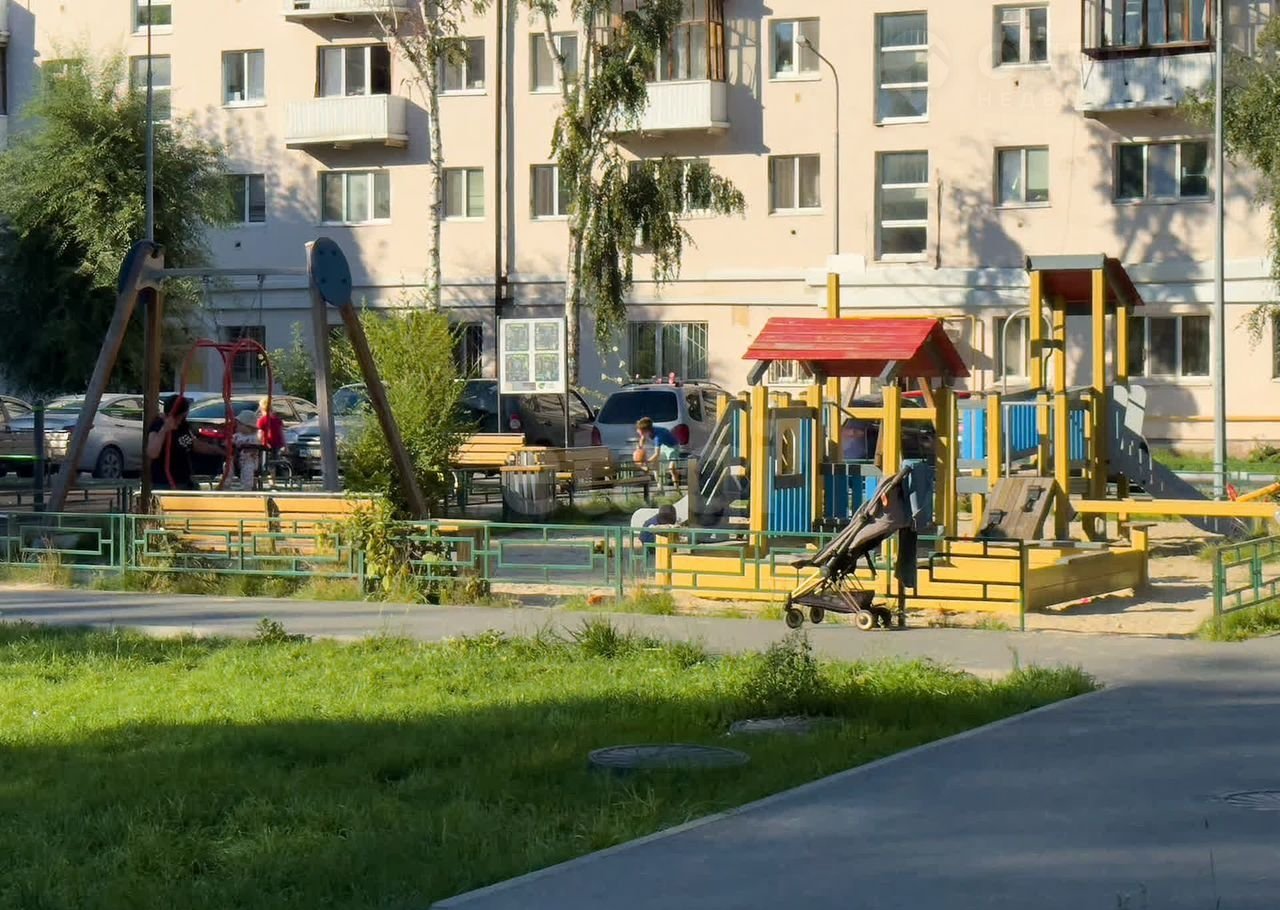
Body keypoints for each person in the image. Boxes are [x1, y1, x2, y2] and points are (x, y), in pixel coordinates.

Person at [147, 394, 221, 491]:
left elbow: (195, 444)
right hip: (165, 483)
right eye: (182, 416)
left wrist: (219, 450)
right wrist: (164, 430)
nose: (182, 419)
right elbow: (152, 453)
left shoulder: (183, 425)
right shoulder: (158, 425)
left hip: (184, 480)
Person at [635, 416, 681, 488]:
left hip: (673, 447)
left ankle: (677, 488)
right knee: (655, 465)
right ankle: (660, 487)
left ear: (646, 430)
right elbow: (642, 438)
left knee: (671, 469)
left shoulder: (658, 437)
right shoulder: (648, 431)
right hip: (664, 446)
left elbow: (656, 454)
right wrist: (640, 447)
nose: (639, 433)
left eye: (641, 432)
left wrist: (646, 462)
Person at [232, 410, 262, 490]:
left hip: (249, 460)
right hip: (237, 459)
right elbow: (230, 442)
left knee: (248, 470)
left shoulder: (253, 437)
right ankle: (226, 484)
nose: (237, 426)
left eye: (240, 424)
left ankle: (247, 487)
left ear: (248, 426)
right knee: (227, 465)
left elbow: (255, 447)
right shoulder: (237, 436)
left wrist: (247, 447)